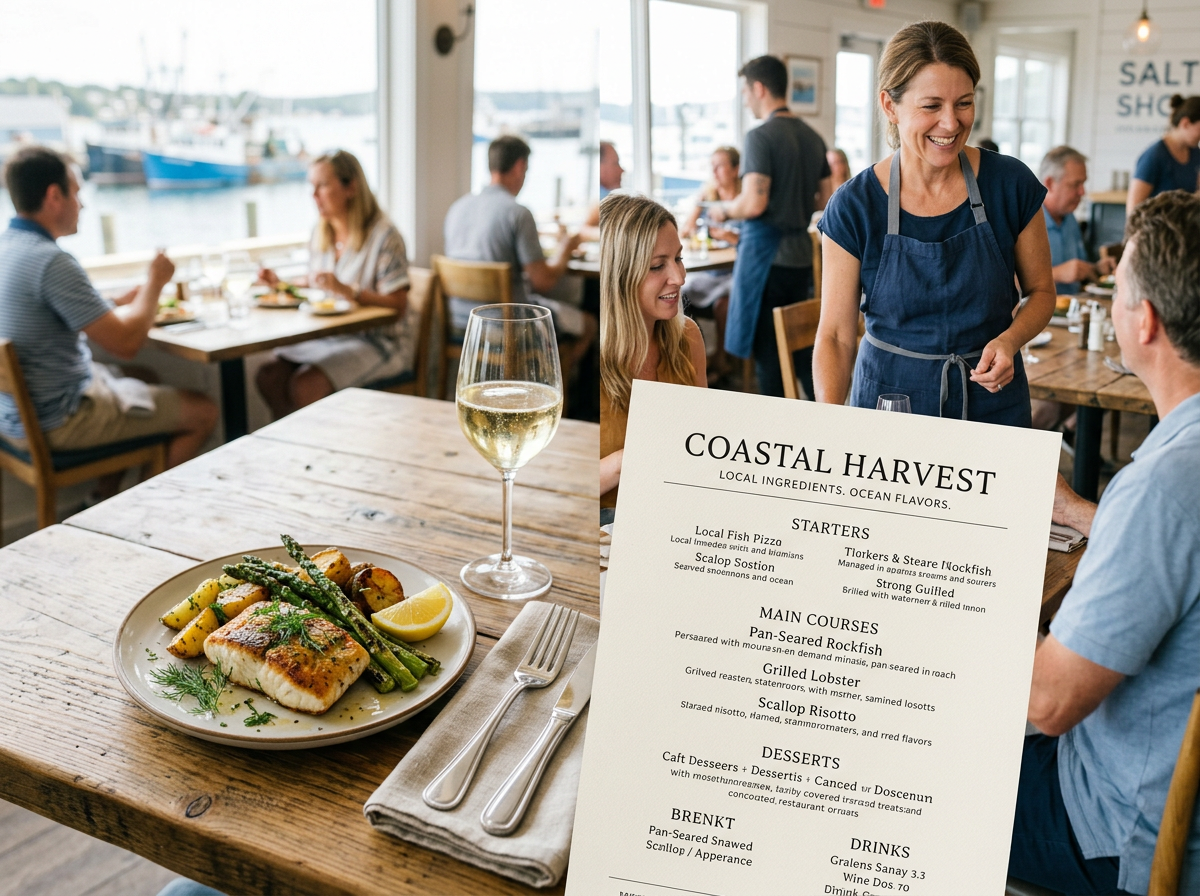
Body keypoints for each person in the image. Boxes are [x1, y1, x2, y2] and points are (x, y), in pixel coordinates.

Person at [1011, 190, 1200, 896]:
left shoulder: (1164, 487)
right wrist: (1081, 512)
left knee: (904, 767)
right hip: (1154, 776)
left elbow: (1047, 700)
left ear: (1143, 321)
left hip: (1122, 829)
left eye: (1115, 290)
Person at [813, 21, 1055, 425]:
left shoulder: (1010, 184)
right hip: (888, 409)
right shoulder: (854, 206)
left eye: (964, 103)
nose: (951, 123)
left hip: (992, 403)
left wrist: (1010, 340)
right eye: (931, 106)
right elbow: (836, 337)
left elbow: (1042, 292)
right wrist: (829, 427)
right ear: (890, 106)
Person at [0, 146, 217, 479]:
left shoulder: (9, 248)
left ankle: (100, 498)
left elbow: (50, 311)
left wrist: (114, 302)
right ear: (54, 195)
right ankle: (141, 508)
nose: (82, 204)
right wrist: (155, 282)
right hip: (58, 420)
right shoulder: (51, 261)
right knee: (203, 411)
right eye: (77, 192)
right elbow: (126, 343)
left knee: (144, 377)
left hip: (11, 417)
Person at [256, 150, 415, 419]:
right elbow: (316, 281)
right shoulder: (322, 231)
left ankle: (314, 442)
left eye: (322, 185)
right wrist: (281, 284)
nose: (314, 195)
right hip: (332, 337)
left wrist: (350, 291)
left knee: (306, 385)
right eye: (311, 186)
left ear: (351, 187)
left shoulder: (385, 236)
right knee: (269, 375)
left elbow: (398, 306)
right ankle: (296, 440)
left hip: (380, 342)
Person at [709, 55, 832, 399]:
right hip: (800, 258)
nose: (745, 100)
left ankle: (774, 424)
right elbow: (826, 198)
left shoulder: (759, 137)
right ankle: (820, 414)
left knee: (769, 355)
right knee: (799, 347)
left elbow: (753, 203)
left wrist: (722, 210)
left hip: (766, 259)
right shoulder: (813, 137)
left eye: (745, 92)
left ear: (759, 88)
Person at [600, 193, 706, 512]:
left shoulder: (688, 337)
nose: (680, 277)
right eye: (658, 266)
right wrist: (625, 463)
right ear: (619, 276)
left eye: (679, 258)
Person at [443, 135, 592, 361]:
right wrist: (565, 249)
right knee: (589, 324)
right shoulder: (518, 213)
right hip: (507, 326)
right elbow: (542, 282)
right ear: (520, 166)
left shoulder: (457, 208)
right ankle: (556, 379)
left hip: (458, 321)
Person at [1041, 146, 1115, 297]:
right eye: (1075, 184)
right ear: (1049, 183)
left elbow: (1075, 271)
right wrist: (1057, 274)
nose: (1082, 192)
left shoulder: (1070, 219)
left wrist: (1096, 269)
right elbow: (1004, 281)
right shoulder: (1023, 221)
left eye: (1083, 184)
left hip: (1074, 304)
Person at [1126, 95, 1200, 215]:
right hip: (1157, 226)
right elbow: (1133, 210)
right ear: (1185, 123)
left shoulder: (1195, 153)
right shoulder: (1154, 155)